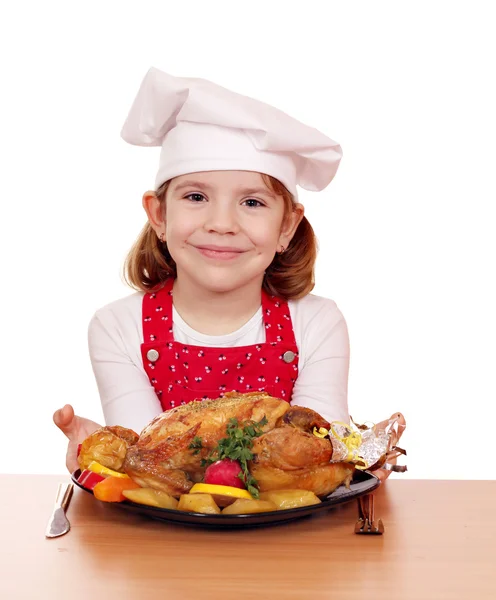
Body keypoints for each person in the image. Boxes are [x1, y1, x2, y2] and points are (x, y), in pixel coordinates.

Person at [54, 67, 394, 481]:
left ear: (286, 226)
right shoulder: (118, 326)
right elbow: (148, 462)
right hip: (160, 544)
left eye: (252, 203)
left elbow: (319, 447)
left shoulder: (316, 323)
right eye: (196, 197)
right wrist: (105, 455)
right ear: (159, 215)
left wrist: (357, 457)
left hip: (291, 541)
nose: (221, 223)